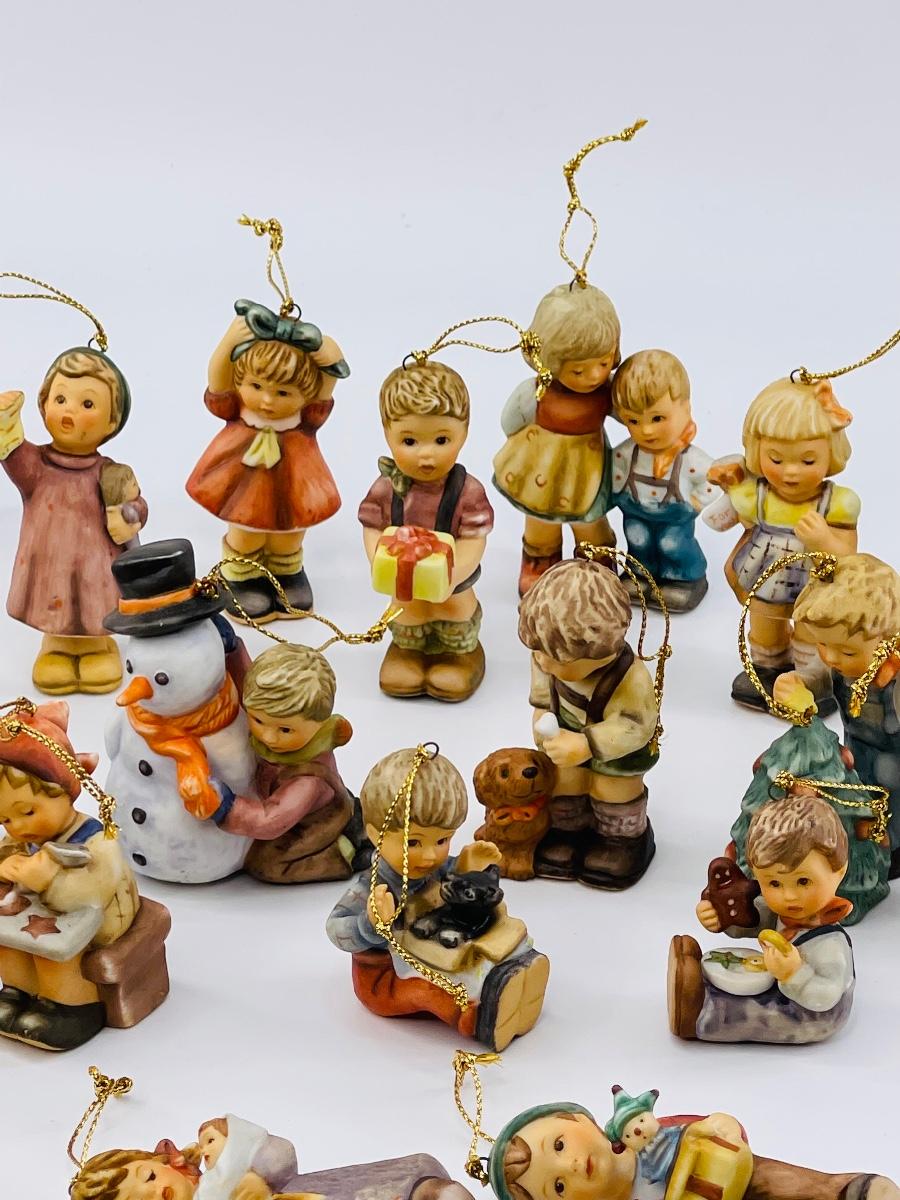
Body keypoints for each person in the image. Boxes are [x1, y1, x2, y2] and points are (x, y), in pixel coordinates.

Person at [326, 748, 549, 1051]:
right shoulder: (373, 888)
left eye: (442, 840)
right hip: (389, 975)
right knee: (428, 993)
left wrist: (464, 866)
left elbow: (449, 875)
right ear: (377, 835)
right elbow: (335, 928)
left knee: (486, 926)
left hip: (433, 942)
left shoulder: (431, 867)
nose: (430, 855)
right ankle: (483, 1016)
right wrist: (371, 923)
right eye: (414, 842)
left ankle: (518, 969)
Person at [186, 300, 349, 620]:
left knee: (291, 532)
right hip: (243, 477)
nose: (266, 400)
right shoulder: (238, 410)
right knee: (246, 530)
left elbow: (324, 391)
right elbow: (217, 385)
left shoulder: (305, 420)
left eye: (283, 393)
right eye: (256, 386)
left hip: (295, 476)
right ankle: (242, 577)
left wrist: (330, 357)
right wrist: (228, 344)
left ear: (304, 395)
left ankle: (287, 572)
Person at [703, 375, 858, 710]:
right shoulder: (758, 494)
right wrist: (728, 484)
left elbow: (849, 556)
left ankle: (809, 680)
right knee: (764, 628)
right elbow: (717, 520)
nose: (790, 472)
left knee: (810, 632)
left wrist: (824, 538)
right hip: (764, 577)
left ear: (831, 454)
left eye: (807, 461)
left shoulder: (836, 503)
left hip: (815, 584)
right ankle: (767, 669)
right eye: (776, 459)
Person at [0, 348, 147, 694]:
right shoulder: (36, 466)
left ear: (111, 422)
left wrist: (130, 514)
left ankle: (97, 648)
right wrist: (7, 421)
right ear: (43, 405)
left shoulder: (111, 473)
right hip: (49, 563)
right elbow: (10, 450)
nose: (70, 411)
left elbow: (137, 505)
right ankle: (57, 648)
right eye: (61, 398)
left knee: (95, 604)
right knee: (53, 602)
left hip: (97, 565)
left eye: (88, 404)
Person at [0, 702, 139, 1050]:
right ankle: (16, 994)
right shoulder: (20, 841)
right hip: (31, 919)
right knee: (9, 946)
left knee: (54, 953)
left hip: (98, 919)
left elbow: (91, 895)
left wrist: (50, 881)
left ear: (63, 791)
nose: (18, 827)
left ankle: (69, 1006)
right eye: (5, 820)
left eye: (27, 811)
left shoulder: (97, 841)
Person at [517, 556, 659, 888]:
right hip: (565, 736)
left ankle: (619, 840)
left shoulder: (630, 678)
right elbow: (543, 696)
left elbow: (635, 725)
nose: (543, 663)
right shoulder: (546, 655)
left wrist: (587, 744)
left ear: (598, 648)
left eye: (555, 659)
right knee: (565, 782)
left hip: (616, 752)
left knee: (612, 789)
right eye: (538, 652)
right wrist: (542, 718)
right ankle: (569, 831)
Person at [670, 793, 854, 1044]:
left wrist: (794, 973)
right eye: (774, 883)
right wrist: (719, 917)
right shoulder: (783, 913)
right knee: (749, 986)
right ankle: (697, 981)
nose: (789, 896)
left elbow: (826, 995)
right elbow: (751, 918)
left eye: (803, 881)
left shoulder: (830, 942)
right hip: (786, 984)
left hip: (816, 1012)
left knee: (759, 1014)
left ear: (839, 871)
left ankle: (698, 1016)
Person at [360, 360, 493, 702]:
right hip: (404, 584)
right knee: (409, 614)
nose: (426, 455)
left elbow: (473, 540)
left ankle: (459, 656)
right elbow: (373, 529)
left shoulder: (466, 491)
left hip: (452, 587)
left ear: (464, 433)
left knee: (454, 610)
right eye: (409, 440)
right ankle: (407, 652)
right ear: (387, 434)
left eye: (441, 439)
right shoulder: (387, 487)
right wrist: (380, 560)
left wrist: (453, 573)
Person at [487, 1094, 898, 1200]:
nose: (572, 1166)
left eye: (559, 1145)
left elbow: (705, 1129)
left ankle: (846, 1190)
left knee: (772, 1178)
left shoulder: (649, 1135)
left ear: (579, 1119)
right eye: (558, 1188)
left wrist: (720, 1126)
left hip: (734, 1177)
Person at [774, 553, 900, 875]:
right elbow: (816, 679)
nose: (831, 657)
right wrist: (795, 683)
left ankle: (892, 846)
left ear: (889, 640)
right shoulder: (837, 666)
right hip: (856, 749)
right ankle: (860, 843)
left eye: (847, 651)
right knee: (855, 791)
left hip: (894, 760)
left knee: (889, 786)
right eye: (822, 644)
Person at [492, 284, 619, 596]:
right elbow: (510, 421)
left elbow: (630, 415)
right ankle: (539, 562)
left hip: (587, 473)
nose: (594, 376)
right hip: (541, 471)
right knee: (540, 524)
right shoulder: (535, 391)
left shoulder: (608, 392)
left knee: (591, 525)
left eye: (603, 364)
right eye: (579, 370)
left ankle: (598, 565)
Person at [225, 642, 359, 883]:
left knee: (265, 863)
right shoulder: (272, 719)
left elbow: (271, 820)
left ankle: (340, 854)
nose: (268, 737)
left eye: (285, 730)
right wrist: (232, 651)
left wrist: (225, 807)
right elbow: (248, 688)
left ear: (319, 723)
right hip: (277, 802)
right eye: (258, 720)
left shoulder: (307, 780)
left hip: (310, 820)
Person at [610, 349, 719, 611]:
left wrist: (696, 502)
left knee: (672, 544)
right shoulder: (628, 452)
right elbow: (614, 470)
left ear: (686, 409)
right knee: (637, 538)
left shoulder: (689, 458)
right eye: (633, 420)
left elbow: (713, 479)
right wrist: (617, 493)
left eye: (657, 418)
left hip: (674, 515)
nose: (646, 430)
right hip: (636, 509)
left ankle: (683, 579)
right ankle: (641, 576)